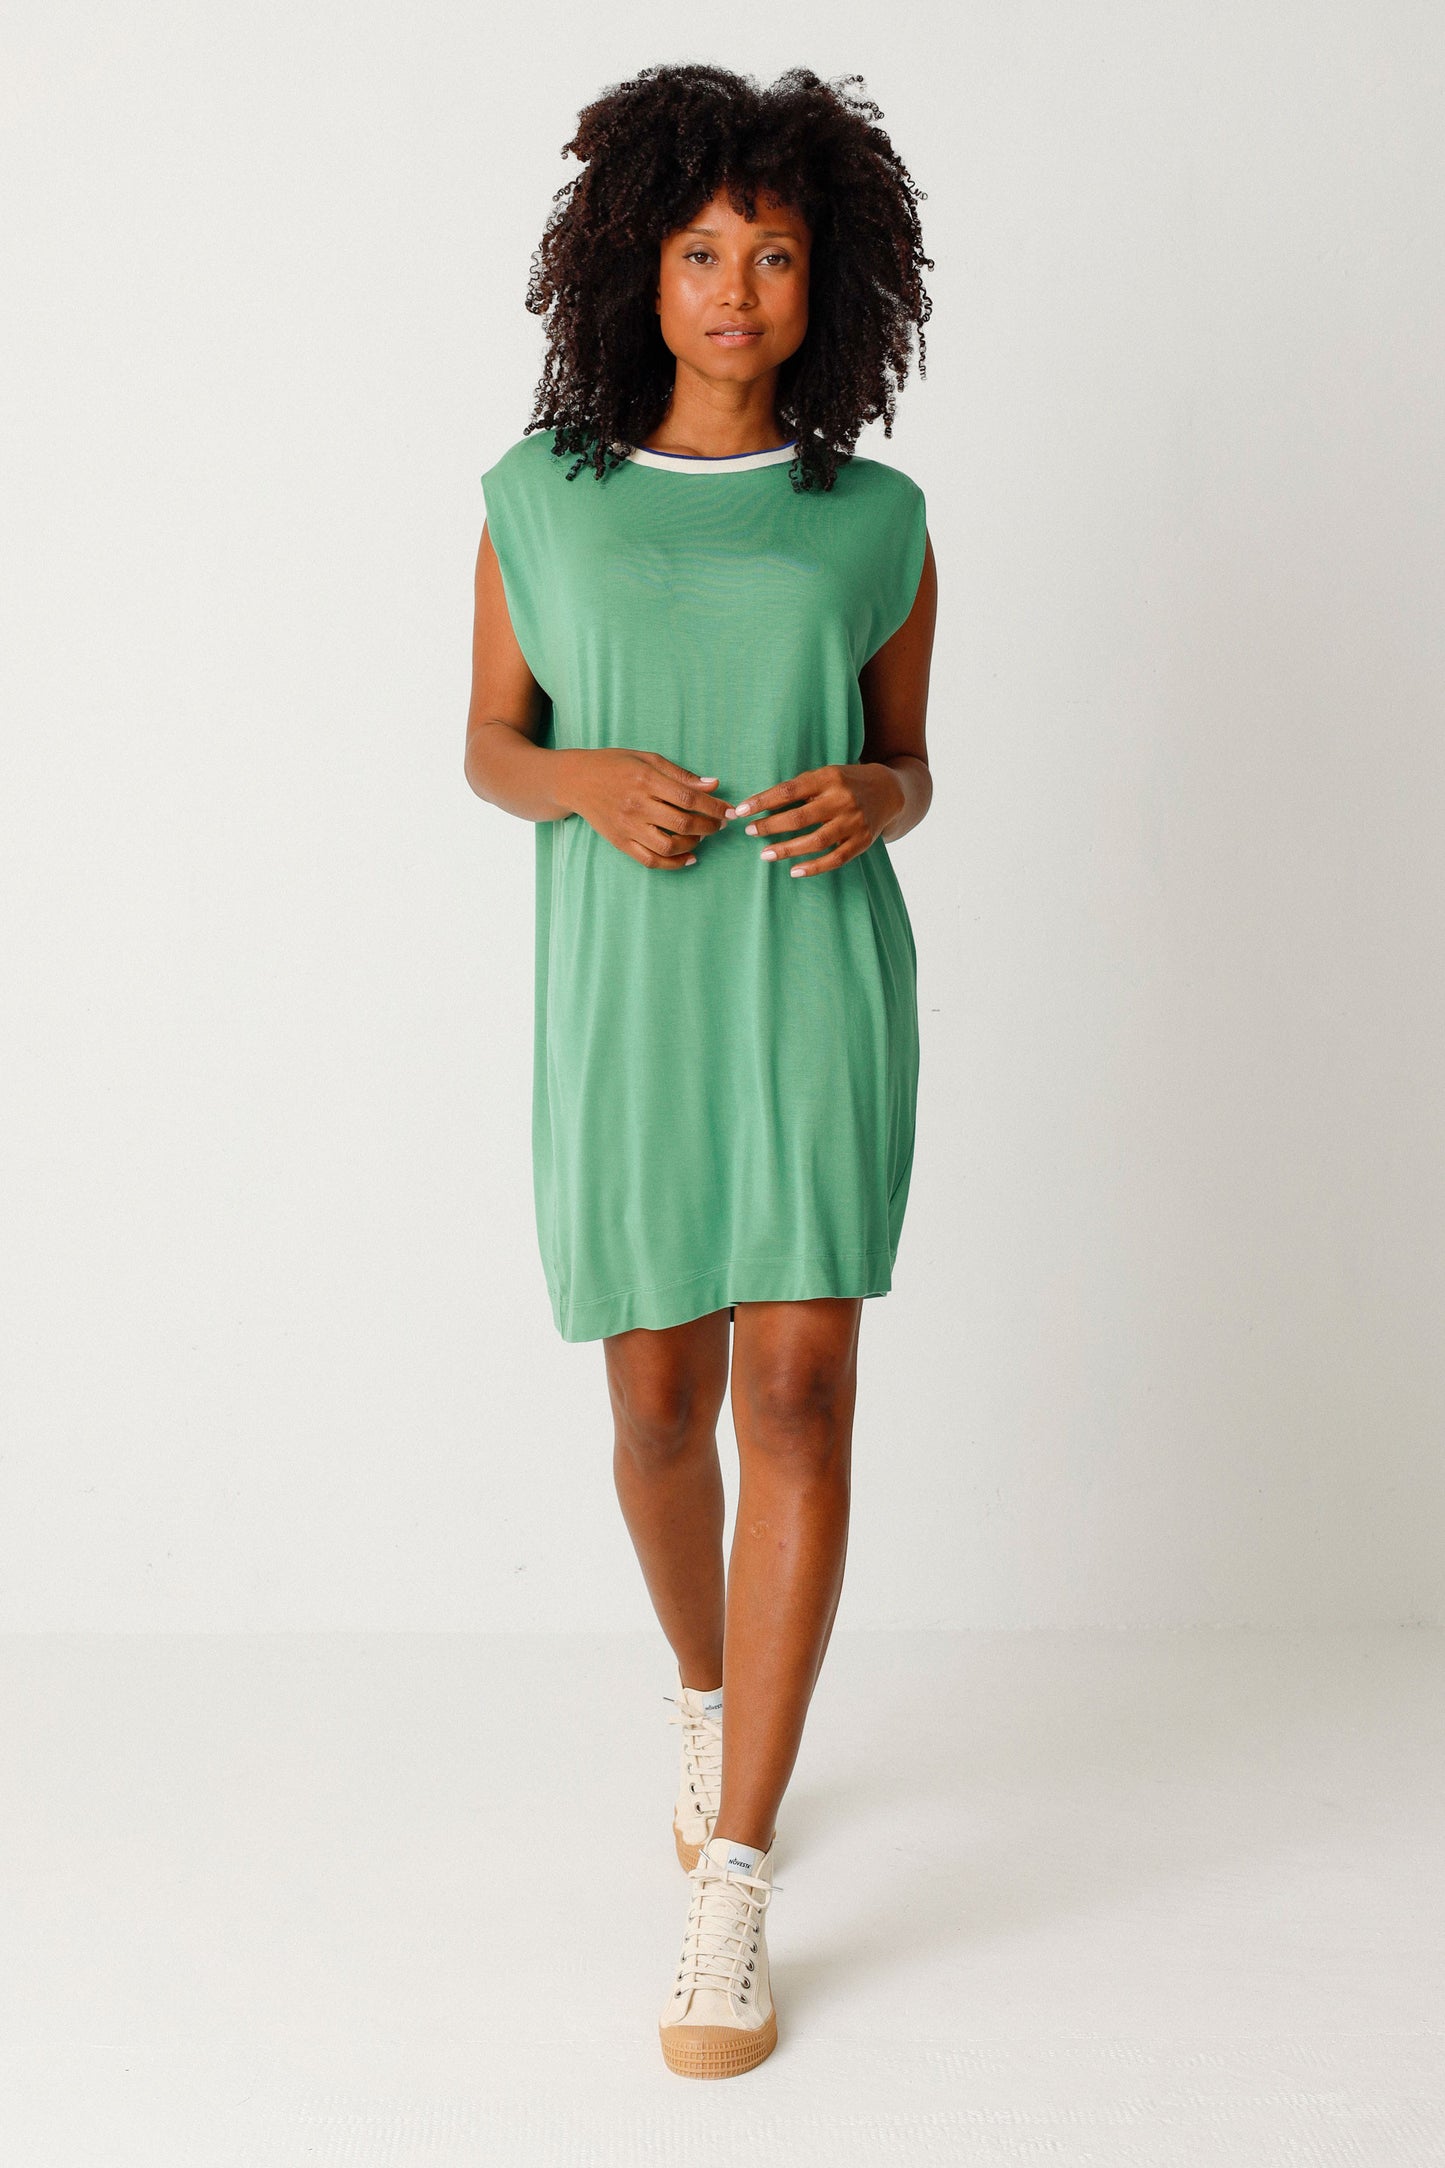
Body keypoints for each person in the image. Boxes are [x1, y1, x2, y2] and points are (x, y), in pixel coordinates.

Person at [464, 61, 937, 2077]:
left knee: (798, 1393)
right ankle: (702, 1681)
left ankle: (733, 1873)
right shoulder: (536, 496)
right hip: (631, 996)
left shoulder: (879, 517)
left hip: (812, 980)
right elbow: (489, 744)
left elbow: (909, 759)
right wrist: (581, 777)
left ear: (828, 282)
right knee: (658, 1407)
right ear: (635, 270)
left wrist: (874, 797)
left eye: (774, 253)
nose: (736, 289)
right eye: (699, 250)